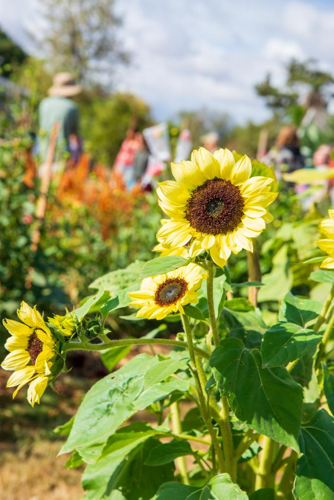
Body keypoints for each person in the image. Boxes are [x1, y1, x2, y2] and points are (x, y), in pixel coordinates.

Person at [38, 72, 82, 169]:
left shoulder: (44, 103)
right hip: (61, 158)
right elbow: (75, 136)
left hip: (42, 155)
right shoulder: (72, 107)